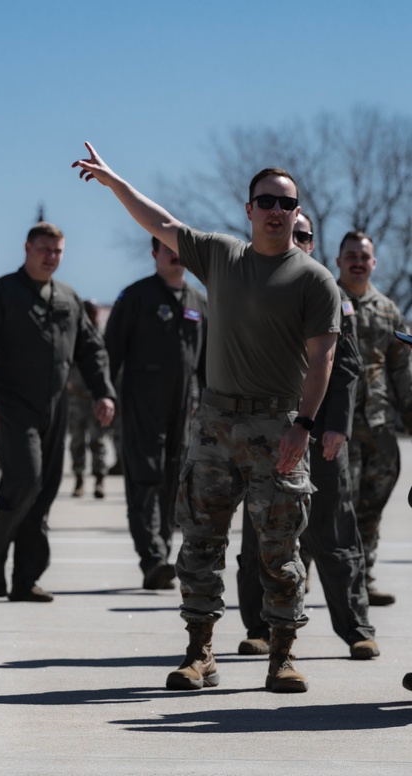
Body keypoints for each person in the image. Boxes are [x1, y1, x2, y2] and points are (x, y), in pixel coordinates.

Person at [75, 145, 339, 693]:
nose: (275, 209)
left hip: (278, 426)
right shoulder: (222, 255)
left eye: (285, 203)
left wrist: (304, 425)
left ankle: (283, 655)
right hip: (215, 423)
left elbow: (323, 360)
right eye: (264, 200)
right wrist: (116, 182)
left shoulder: (315, 281)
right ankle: (199, 654)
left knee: (279, 549)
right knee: (199, 543)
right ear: (249, 209)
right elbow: (163, 222)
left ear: (296, 212)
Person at [236, 212, 378, 660]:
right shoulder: (248, 287)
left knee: (334, 533)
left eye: (305, 236)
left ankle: (356, 628)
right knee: (262, 532)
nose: (296, 241)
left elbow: (347, 365)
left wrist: (337, 424)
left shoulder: (329, 292)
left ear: (314, 245)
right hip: (265, 435)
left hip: (321, 438)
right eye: (290, 233)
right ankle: (260, 627)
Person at [0, 221, 116, 603]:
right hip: (11, 402)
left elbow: (91, 349)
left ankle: (25, 578)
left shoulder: (68, 297)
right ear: (27, 248)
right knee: (26, 479)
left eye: (58, 251)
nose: (51, 257)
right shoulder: (0, 292)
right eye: (44, 250)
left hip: (56, 403)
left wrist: (103, 393)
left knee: (46, 488)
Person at [104, 237, 206, 590]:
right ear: (154, 254)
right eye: (166, 247)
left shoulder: (199, 302)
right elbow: (110, 350)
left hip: (184, 408)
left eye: (179, 247)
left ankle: (163, 552)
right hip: (142, 402)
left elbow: (207, 362)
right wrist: (105, 394)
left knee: (174, 482)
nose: (174, 253)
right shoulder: (136, 296)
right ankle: (153, 558)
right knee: (145, 479)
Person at [336, 231, 412, 607]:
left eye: (364, 256)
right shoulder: (325, 300)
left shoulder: (388, 310)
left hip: (379, 426)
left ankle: (363, 579)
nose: (357, 262)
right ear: (338, 261)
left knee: (372, 505)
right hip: (336, 426)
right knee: (334, 507)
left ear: (374, 262)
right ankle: (301, 582)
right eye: (350, 255)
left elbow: (402, 370)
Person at [68, 301, 110, 499]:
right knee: (77, 440)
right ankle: (79, 480)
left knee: (98, 440)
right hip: (76, 398)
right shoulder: (74, 334)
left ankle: (99, 480)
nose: (92, 314)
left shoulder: (103, 335)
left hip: (97, 399)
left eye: (94, 311)